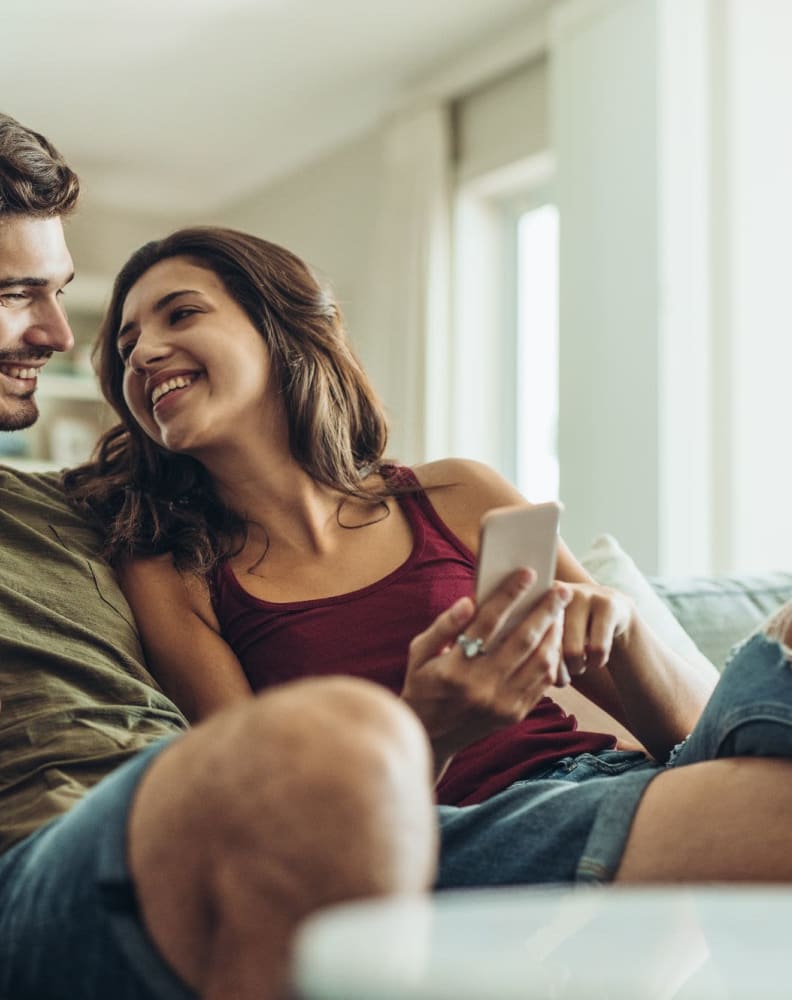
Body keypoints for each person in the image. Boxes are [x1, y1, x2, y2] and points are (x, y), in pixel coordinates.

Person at [0, 102, 448, 1000]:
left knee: (708, 810)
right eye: (17, 293)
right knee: (347, 741)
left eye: (59, 293)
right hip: (12, 884)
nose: (61, 336)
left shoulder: (95, 508)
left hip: (204, 814)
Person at [66, 224, 792, 892]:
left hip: (614, 777)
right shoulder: (172, 569)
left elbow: (697, 737)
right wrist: (426, 727)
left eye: (180, 314)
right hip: (441, 830)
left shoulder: (456, 492)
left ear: (280, 326)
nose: (144, 352)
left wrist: (625, 631)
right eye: (126, 345)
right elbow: (278, 822)